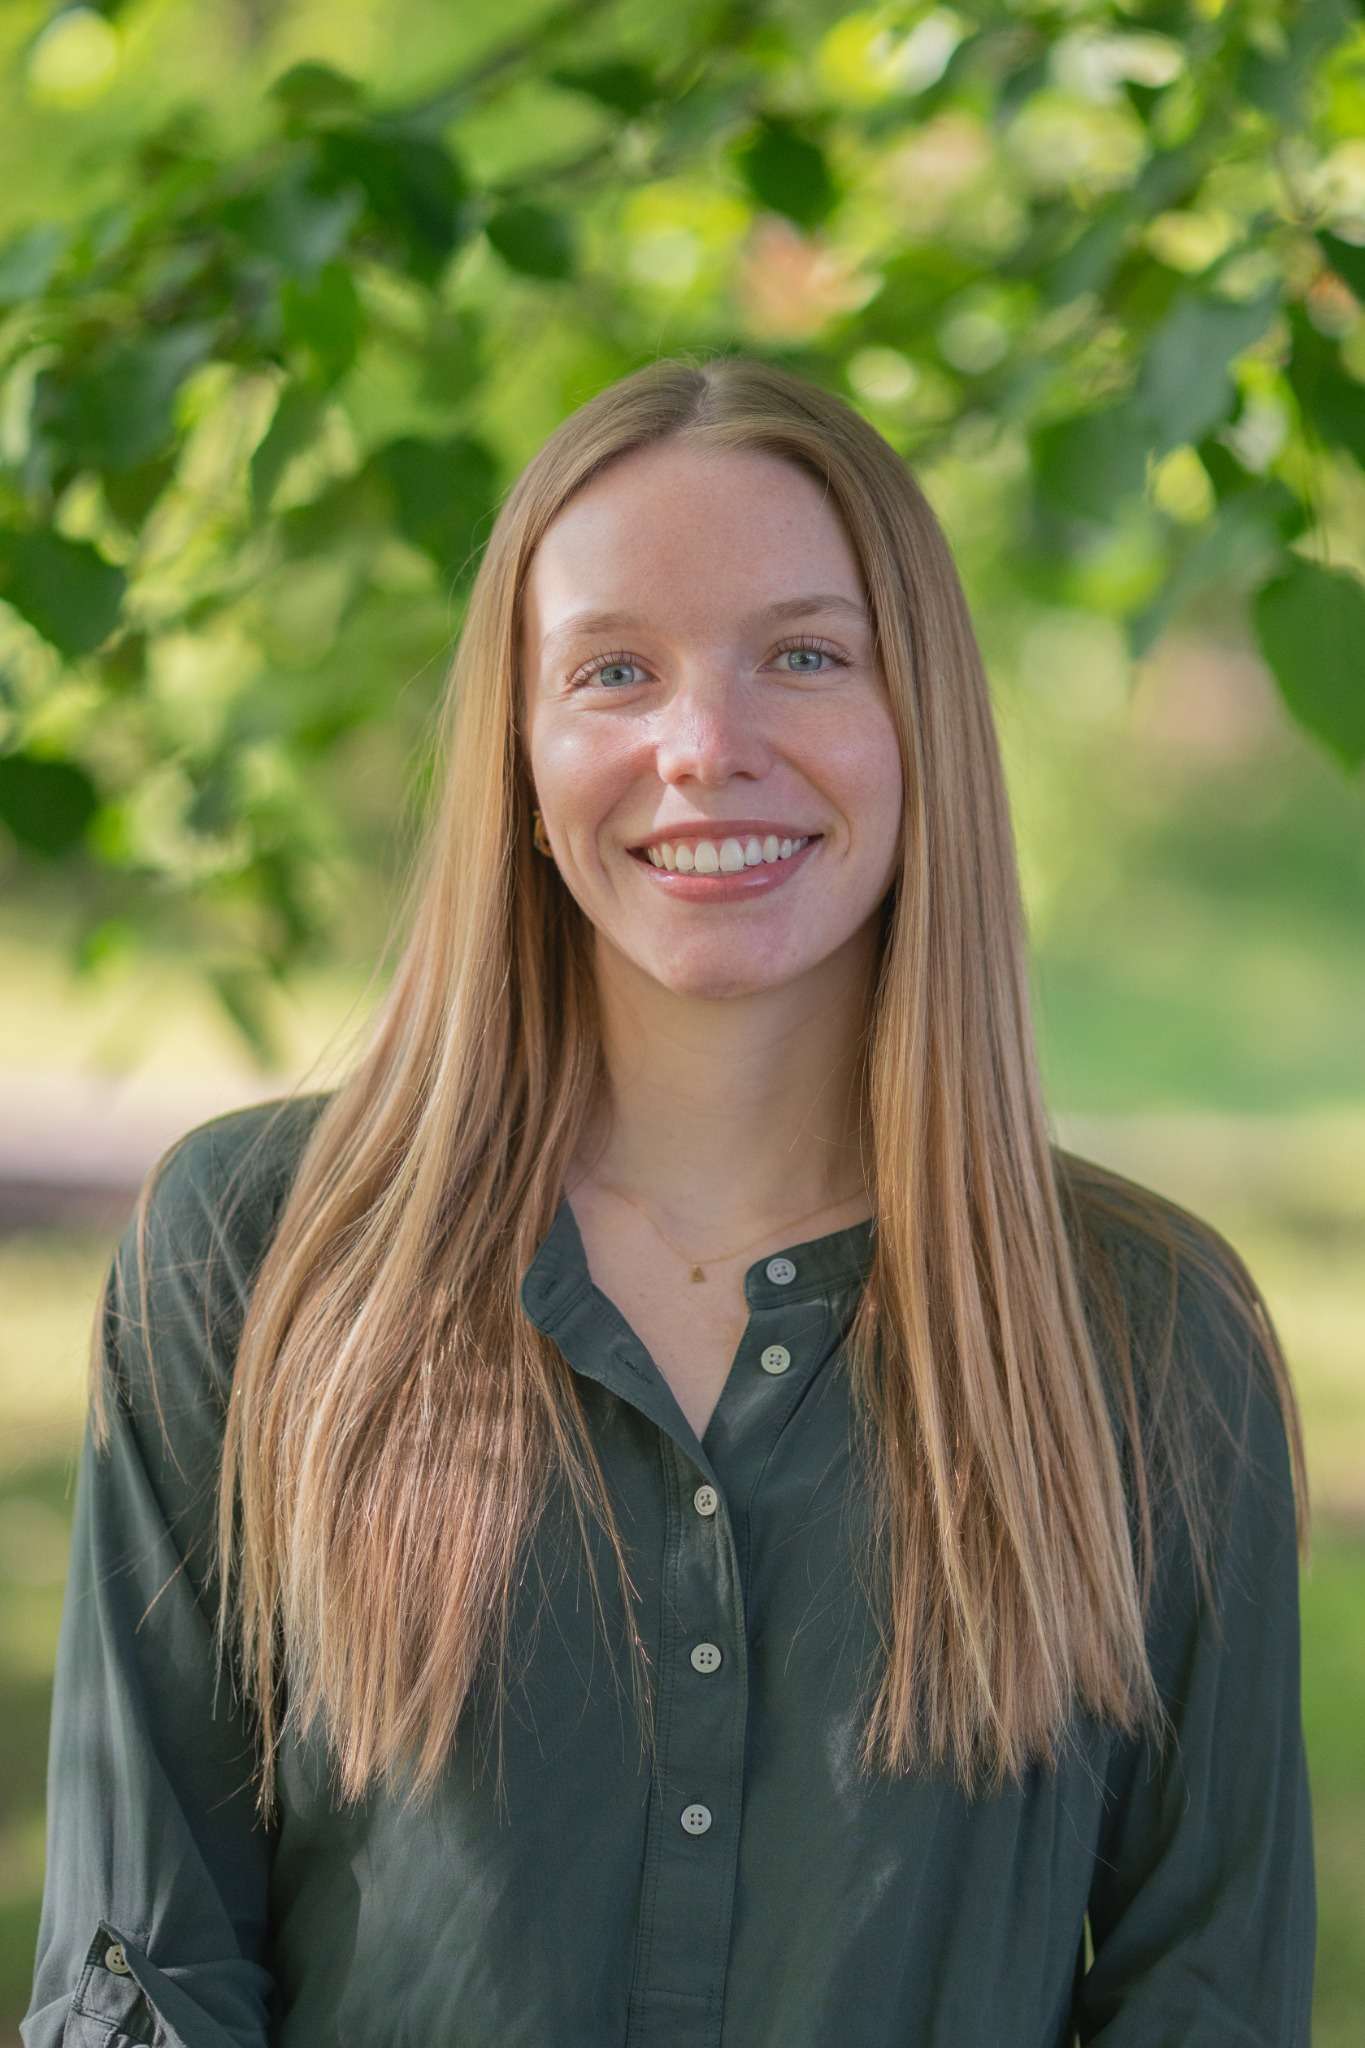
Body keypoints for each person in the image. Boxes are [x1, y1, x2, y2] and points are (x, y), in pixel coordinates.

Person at [23, 355, 1315, 2047]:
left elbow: (1202, 1999)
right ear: (524, 757)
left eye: (802, 655)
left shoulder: (1143, 1330)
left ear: (917, 716)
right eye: (614, 670)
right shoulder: (254, 1256)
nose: (704, 748)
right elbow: (143, 1973)